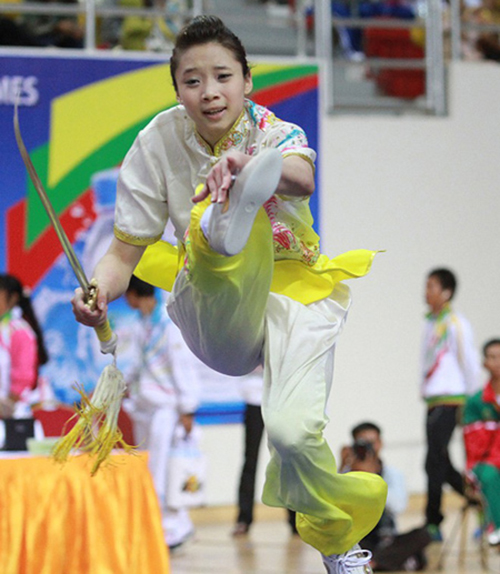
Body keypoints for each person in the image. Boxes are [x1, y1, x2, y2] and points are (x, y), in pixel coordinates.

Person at [72, 15, 387, 573]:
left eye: (222, 76)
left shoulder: (274, 131)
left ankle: (338, 544)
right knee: (209, 239)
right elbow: (122, 254)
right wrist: (98, 292)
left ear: (247, 81)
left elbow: (302, 177)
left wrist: (253, 165)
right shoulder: (157, 143)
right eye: (192, 81)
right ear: (177, 90)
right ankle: (222, 224)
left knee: (290, 436)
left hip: (295, 295)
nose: (209, 92)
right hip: (215, 307)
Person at [123, 275, 200, 550]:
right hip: (146, 406)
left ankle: (173, 527)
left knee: (164, 468)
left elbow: (182, 365)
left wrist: (187, 408)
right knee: (150, 468)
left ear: (133, 293)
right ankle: (156, 525)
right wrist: (120, 386)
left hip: (167, 409)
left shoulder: (168, 324)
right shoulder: (143, 324)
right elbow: (137, 364)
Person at [421, 267, 481, 541]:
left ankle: (433, 521)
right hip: (434, 400)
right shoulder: (430, 322)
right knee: (437, 460)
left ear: (446, 292)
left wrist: (472, 399)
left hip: (452, 399)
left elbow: (469, 361)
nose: (426, 292)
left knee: (434, 461)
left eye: (431, 286)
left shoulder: (456, 323)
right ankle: (479, 500)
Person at [340, 422, 431, 571]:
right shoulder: (347, 473)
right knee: (343, 543)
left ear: (380, 443)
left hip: (386, 538)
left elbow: (398, 506)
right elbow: (336, 507)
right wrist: (343, 468)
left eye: (371, 443)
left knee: (423, 534)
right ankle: (391, 561)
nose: (368, 448)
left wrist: (371, 479)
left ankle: (372, 562)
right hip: (358, 538)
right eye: (362, 443)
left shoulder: (392, 474)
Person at [232, 367, 297, 537]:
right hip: (255, 396)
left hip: (282, 398)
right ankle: (244, 518)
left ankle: (295, 518)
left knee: (286, 460)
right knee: (250, 459)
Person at [463, 338, 500, 547]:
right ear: (485, 363)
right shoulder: (476, 402)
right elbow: (475, 445)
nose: (498, 362)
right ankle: (496, 526)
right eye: (493, 357)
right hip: (486, 461)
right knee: (489, 475)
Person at [0, 274, 49, 419]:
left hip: (17, 414)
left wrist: (7, 405)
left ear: (13, 298)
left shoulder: (19, 330)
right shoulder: (3, 328)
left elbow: (23, 377)